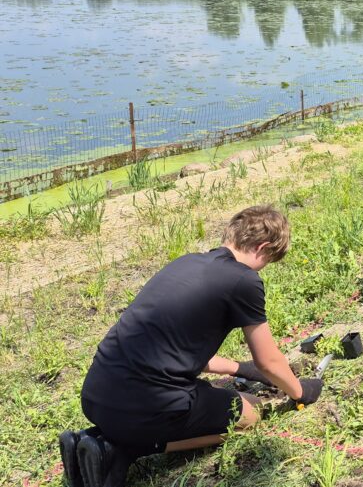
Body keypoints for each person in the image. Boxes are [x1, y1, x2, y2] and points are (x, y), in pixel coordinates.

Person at [63, 206, 321, 487]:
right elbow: (268, 361)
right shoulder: (243, 280)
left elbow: (176, 347)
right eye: (270, 259)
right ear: (264, 247)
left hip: (96, 395)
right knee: (252, 413)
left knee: (200, 397)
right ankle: (122, 450)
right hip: (144, 406)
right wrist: (299, 391)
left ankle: (94, 438)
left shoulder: (185, 263)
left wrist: (239, 369)